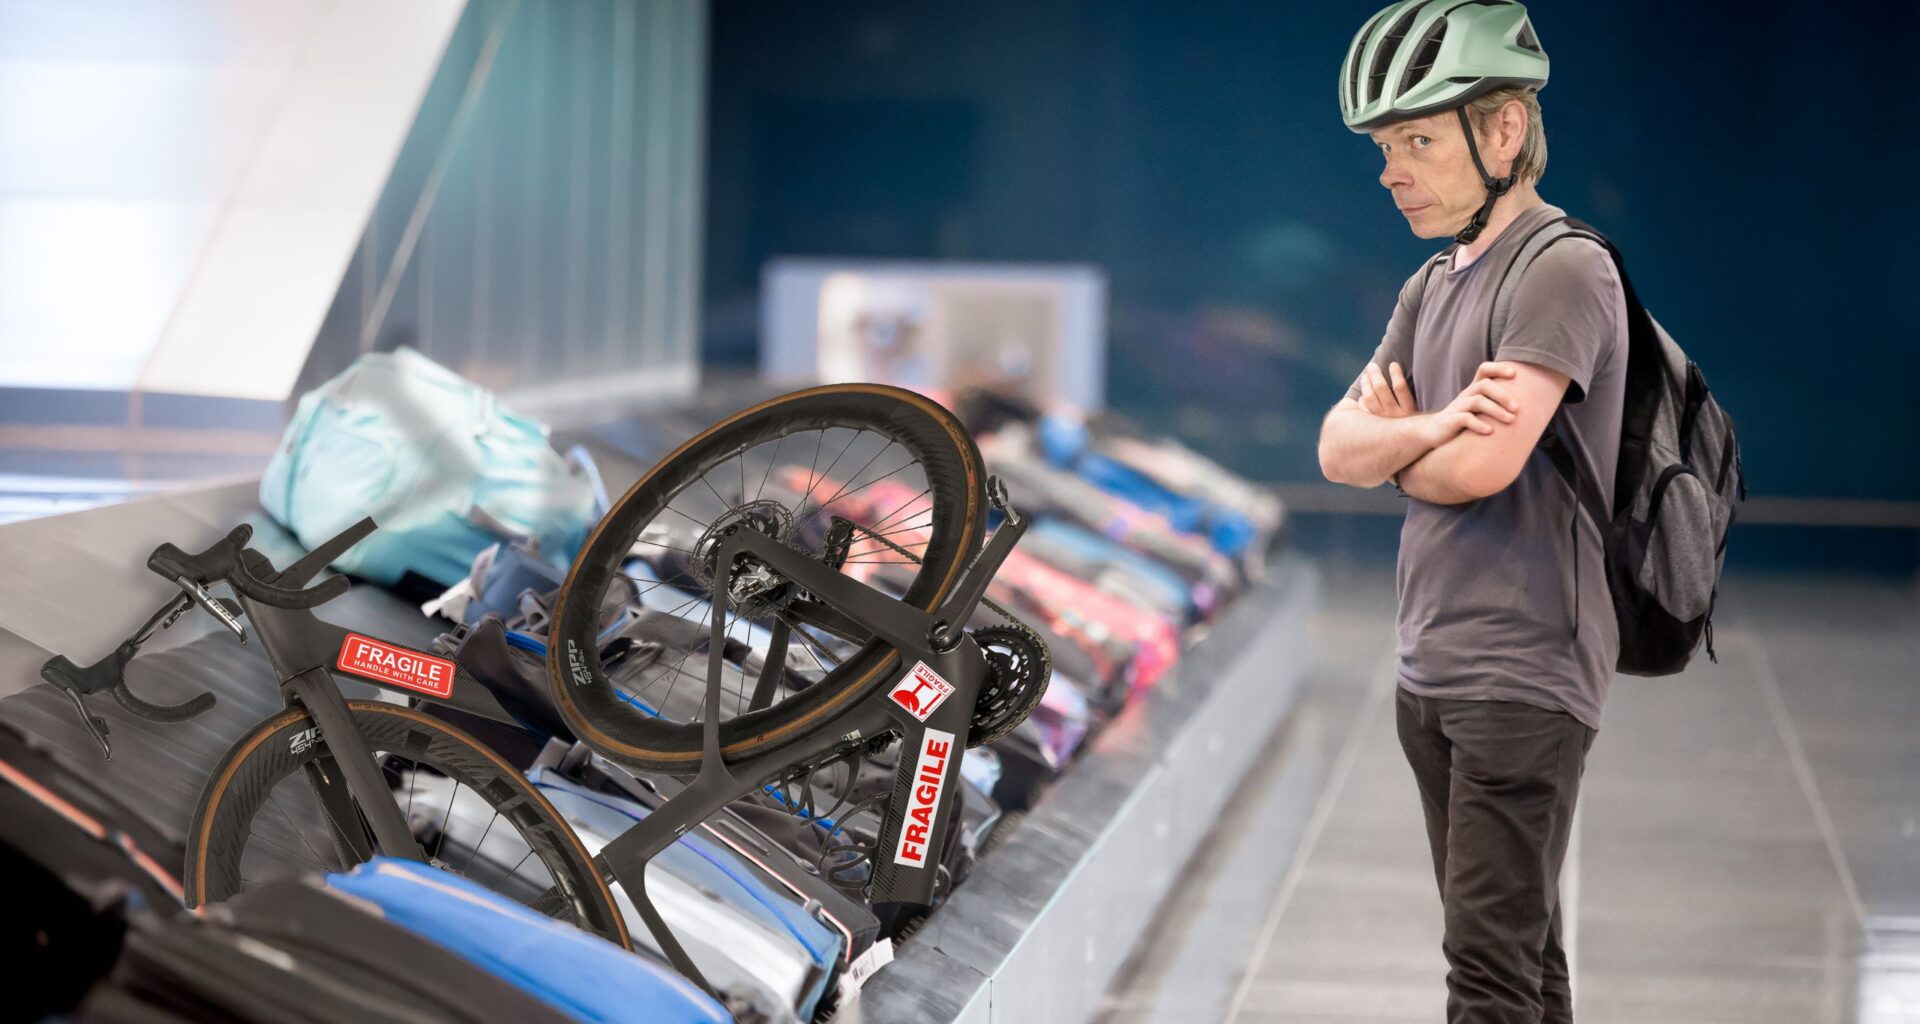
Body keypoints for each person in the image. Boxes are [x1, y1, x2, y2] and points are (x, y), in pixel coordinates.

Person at [1316, 2, 1626, 1021]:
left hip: (1521, 669)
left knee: (1484, 971)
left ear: (1502, 130)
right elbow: (1334, 446)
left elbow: (1484, 466)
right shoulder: (1433, 279)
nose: (1390, 170)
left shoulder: (1563, 268)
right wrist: (1434, 427)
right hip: (1434, 660)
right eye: (1382, 147)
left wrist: (1407, 444)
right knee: (1525, 958)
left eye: (1415, 140)